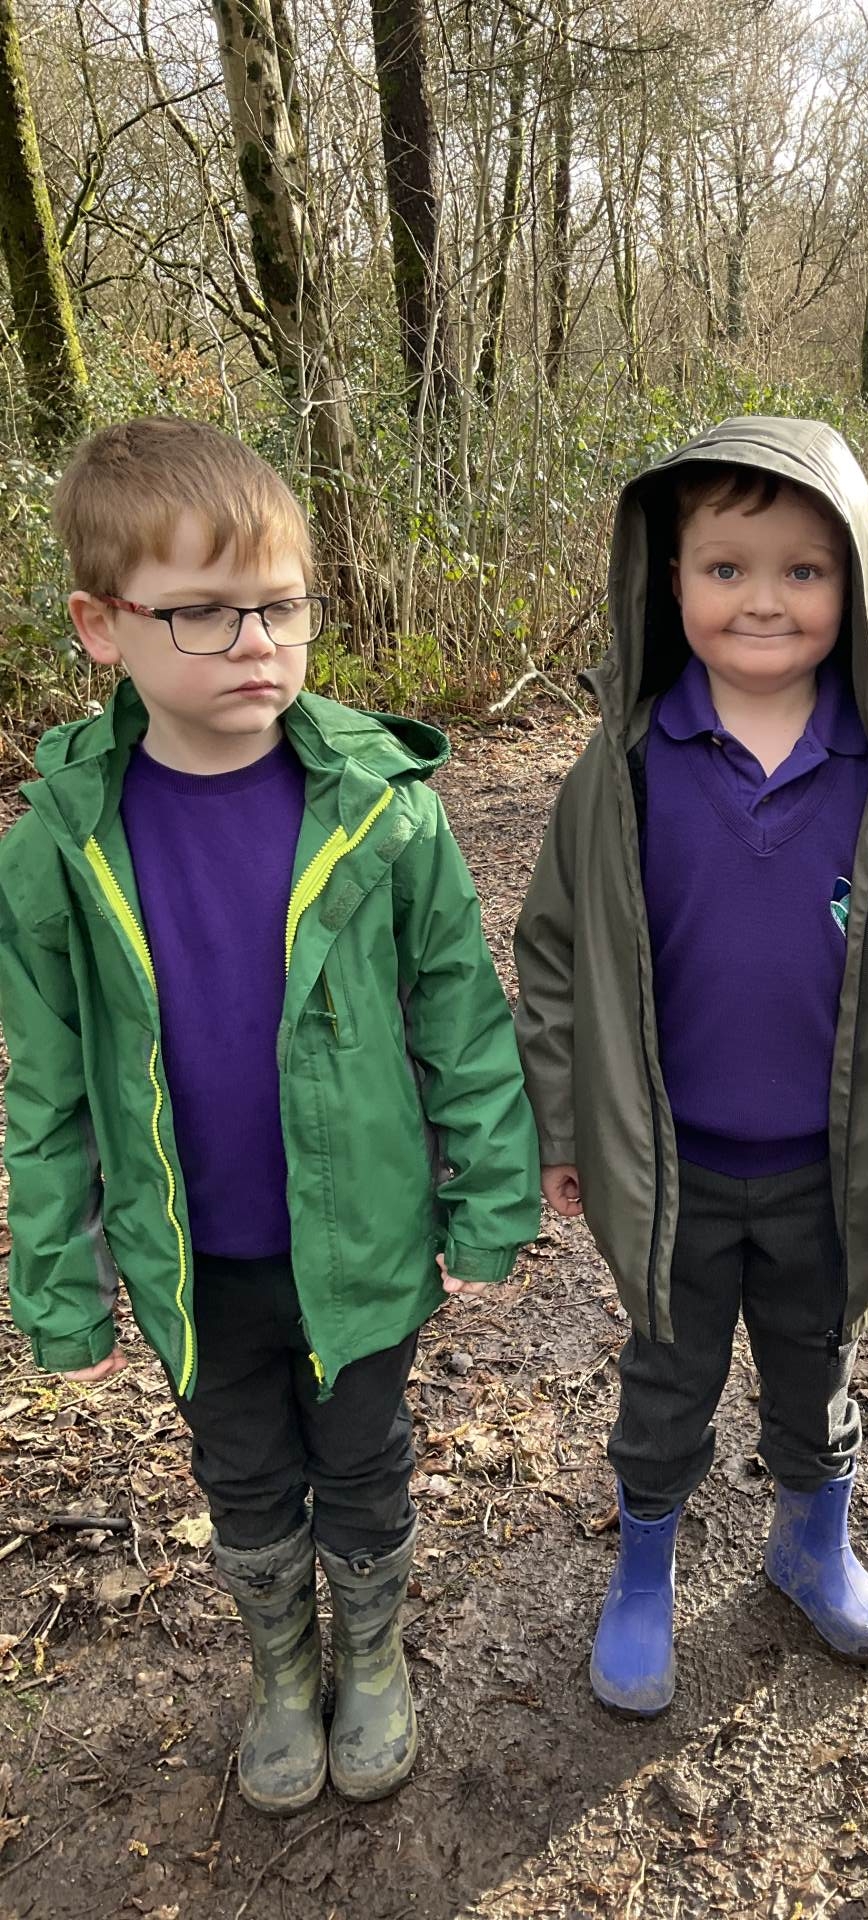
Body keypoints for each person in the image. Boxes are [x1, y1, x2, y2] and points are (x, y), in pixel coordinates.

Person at [0, 418, 540, 1814]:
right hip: (196, 1260)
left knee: (361, 1458)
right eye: (203, 612)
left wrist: (491, 1195)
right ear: (103, 627)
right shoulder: (60, 846)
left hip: (360, 1239)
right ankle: (283, 1668)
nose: (256, 643)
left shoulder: (385, 811)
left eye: (282, 606)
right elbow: (46, 1090)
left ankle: (373, 1657)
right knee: (242, 1475)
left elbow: (461, 1019)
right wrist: (59, 1289)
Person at [514, 417, 868, 1714]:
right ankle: (643, 1568)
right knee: (668, 1376)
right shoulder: (624, 769)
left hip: (831, 1168)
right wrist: (562, 1126)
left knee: (818, 1366)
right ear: (671, 581)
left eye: (803, 570)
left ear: (856, 586)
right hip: (675, 1170)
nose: (763, 599)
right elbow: (556, 958)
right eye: (727, 568)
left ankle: (812, 1545)